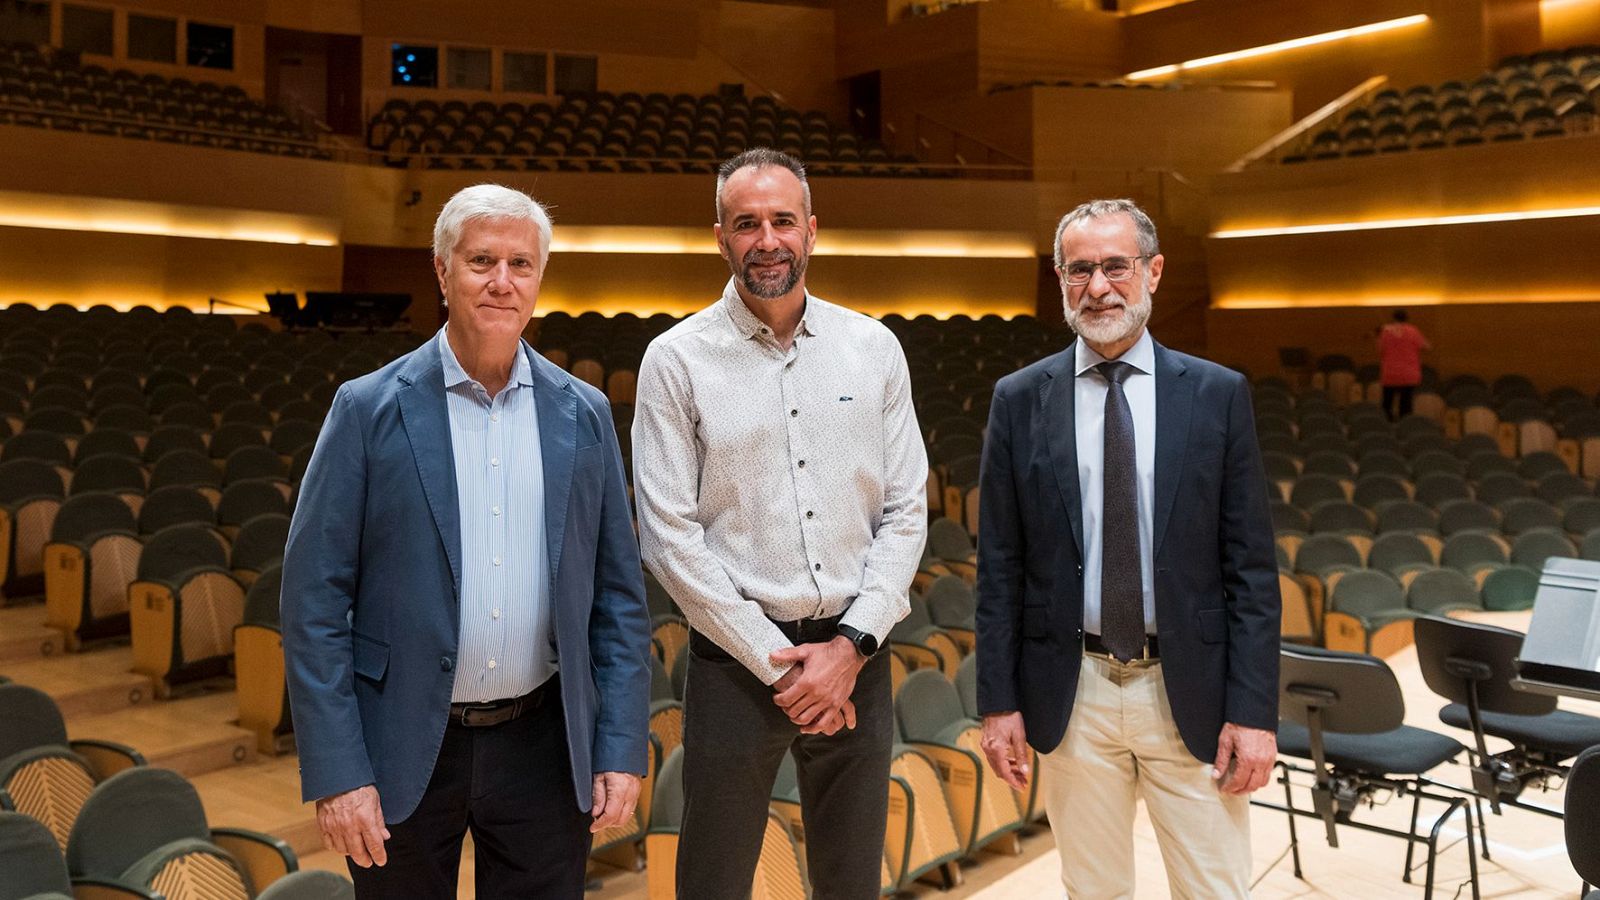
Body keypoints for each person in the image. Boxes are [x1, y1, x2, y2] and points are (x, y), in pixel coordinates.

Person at [281, 183, 652, 899]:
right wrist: (338, 770)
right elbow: (312, 605)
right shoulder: (365, 408)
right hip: (403, 744)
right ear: (442, 270)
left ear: (540, 278)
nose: (502, 282)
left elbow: (619, 601)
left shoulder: (587, 414)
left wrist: (620, 746)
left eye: (522, 263)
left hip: (545, 744)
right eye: (483, 260)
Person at [632, 148, 927, 899]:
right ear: (721, 238)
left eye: (782, 221)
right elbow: (668, 534)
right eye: (747, 224)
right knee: (715, 879)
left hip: (855, 658)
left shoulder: (874, 349)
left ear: (812, 231)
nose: (767, 239)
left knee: (851, 877)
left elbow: (904, 510)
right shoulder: (675, 361)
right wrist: (780, 661)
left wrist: (850, 647)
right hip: (737, 663)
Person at [974, 199, 1280, 898]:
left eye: (1116, 266)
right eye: (1080, 270)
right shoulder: (1020, 399)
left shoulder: (1216, 394)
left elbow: (1252, 572)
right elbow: (1000, 567)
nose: (1099, 287)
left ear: (1154, 271)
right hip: (1071, 690)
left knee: (1214, 890)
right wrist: (998, 702)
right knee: (1093, 890)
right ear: (1059, 278)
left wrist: (1255, 713)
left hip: (1191, 693)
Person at [1378, 309, 1430, 420]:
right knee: (1406, 404)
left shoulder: (1386, 331)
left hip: (1390, 373)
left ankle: (1387, 428)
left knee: (1387, 403)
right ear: (1407, 318)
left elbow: (1380, 349)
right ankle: (1405, 427)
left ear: (1393, 318)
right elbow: (1426, 346)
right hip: (1409, 374)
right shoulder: (1413, 331)